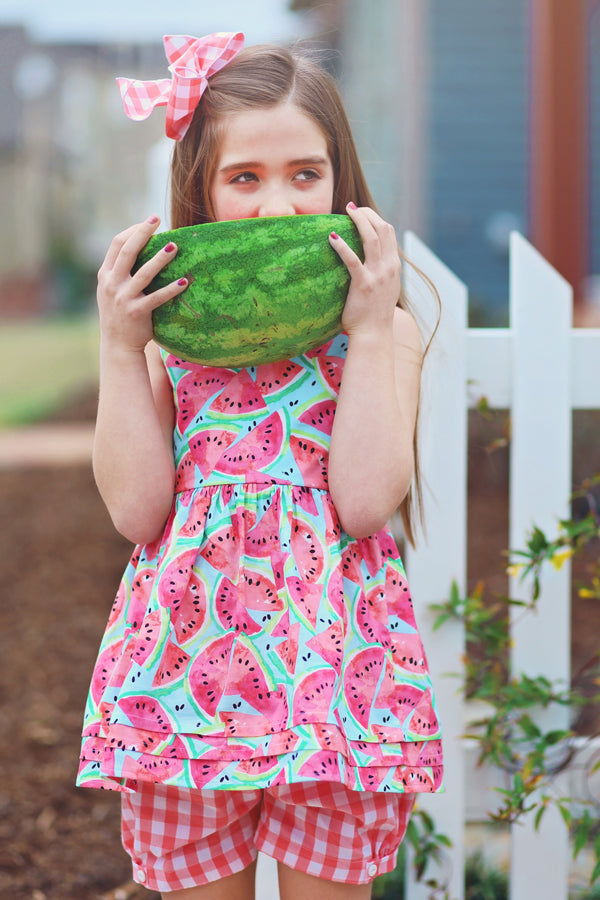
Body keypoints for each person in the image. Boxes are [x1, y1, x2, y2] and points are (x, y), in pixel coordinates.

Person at [77, 31, 443, 900]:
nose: (278, 207)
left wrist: (363, 328)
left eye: (305, 175)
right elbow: (134, 512)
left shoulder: (383, 333)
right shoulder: (173, 344)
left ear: (341, 184)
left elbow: (361, 503)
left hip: (335, 673)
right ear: (199, 195)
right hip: (184, 670)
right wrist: (123, 351)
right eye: (245, 179)